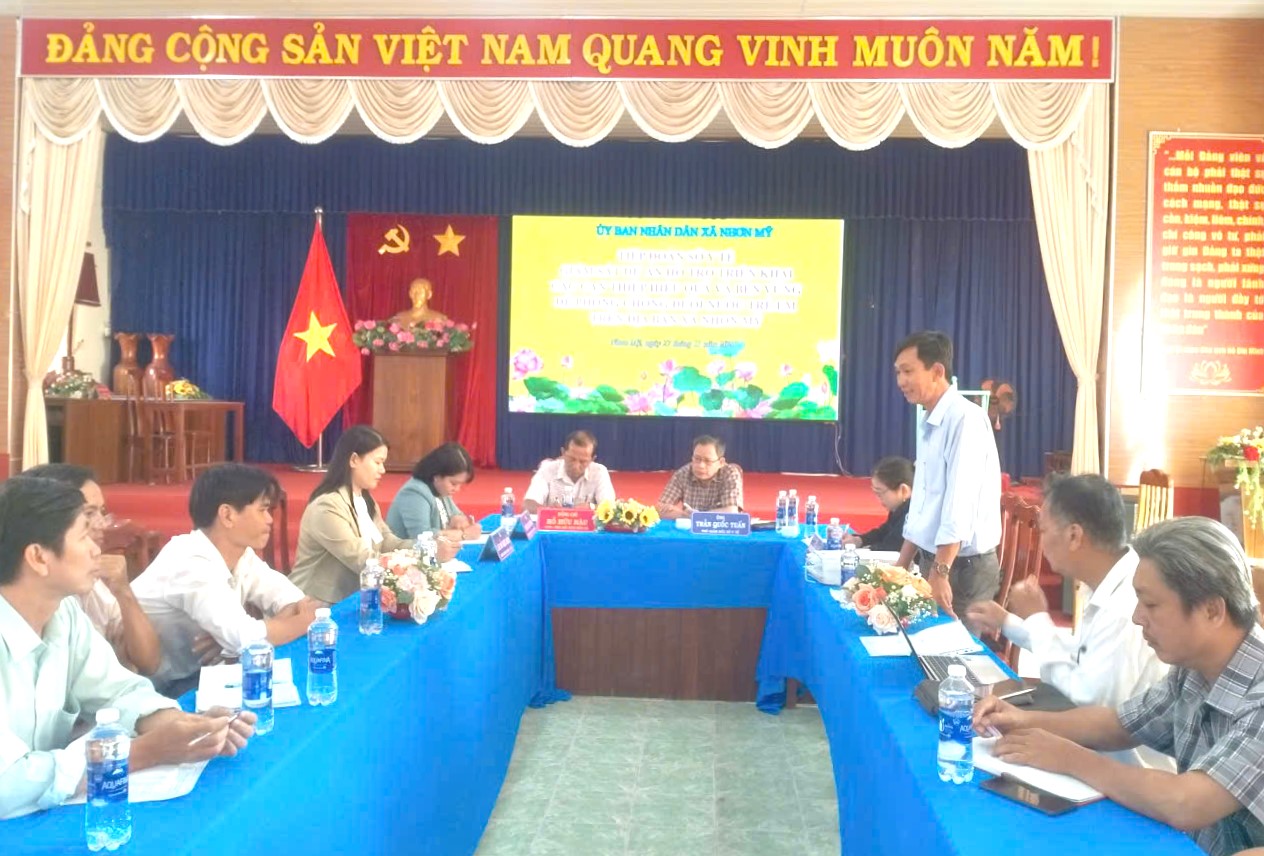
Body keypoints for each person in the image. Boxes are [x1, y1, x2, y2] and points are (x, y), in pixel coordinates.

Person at [974, 517, 1264, 856]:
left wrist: (1071, 758)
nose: (1138, 617)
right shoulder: (1194, 669)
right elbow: (1121, 724)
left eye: (1151, 604)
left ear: (1212, 610)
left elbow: (1185, 802)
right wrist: (1022, 719)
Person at [0, 477, 254, 820]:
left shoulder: (64, 613)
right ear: (38, 557)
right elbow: (8, 782)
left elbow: (118, 691)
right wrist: (142, 752)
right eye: (83, 536)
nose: (96, 550)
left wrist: (183, 726)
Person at [965, 474, 1170, 768]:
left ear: (1074, 536)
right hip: (1093, 759)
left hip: (1118, 771)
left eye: (1043, 530)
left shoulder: (1126, 607)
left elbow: (1087, 706)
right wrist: (1009, 622)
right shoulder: (1112, 580)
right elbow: (1082, 653)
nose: (1041, 541)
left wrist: (1037, 618)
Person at [131, 464, 322, 694]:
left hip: (201, 674)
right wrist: (303, 622)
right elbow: (244, 637)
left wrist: (230, 641)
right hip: (156, 689)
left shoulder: (242, 555)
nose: (270, 519)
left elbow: (294, 601)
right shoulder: (190, 562)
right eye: (262, 510)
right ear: (227, 515)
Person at [892, 331, 1002, 618]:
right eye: (898, 373)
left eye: (908, 371)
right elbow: (924, 501)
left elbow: (959, 502)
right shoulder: (929, 418)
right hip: (938, 561)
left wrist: (941, 572)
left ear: (937, 371)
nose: (900, 381)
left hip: (963, 568)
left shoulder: (965, 418)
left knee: (953, 647)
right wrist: (901, 563)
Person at [23, 463, 161, 676]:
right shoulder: (29, 598)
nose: (102, 524)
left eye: (101, 512)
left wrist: (123, 591)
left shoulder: (92, 581)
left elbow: (149, 663)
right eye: (89, 513)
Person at [290, 426, 454, 604]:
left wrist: (427, 548)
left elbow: (387, 541)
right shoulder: (327, 507)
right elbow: (361, 559)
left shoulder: (365, 500)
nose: (382, 470)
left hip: (356, 594)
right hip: (317, 604)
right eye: (377, 462)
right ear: (354, 460)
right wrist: (417, 560)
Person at [386, 442, 483, 541]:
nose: (457, 489)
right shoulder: (414, 493)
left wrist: (459, 519)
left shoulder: (441, 489)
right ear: (437, 476)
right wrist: (463, 535)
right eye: (453, 483)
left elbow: (457, 515)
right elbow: (421, 536)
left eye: (460, 484)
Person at [523, 430, 616, 513]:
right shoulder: (547, 469)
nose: (576, 466)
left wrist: (591, 507)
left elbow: (610, 507)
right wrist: (550, 511)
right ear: (563, 453)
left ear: (592, 459)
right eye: (571, 459)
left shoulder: (599, 472)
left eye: (583, 461)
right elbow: (528, 504)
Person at [656, 435, 743, 519]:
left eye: (708, 461)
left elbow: (731, 512)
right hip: (690, 527)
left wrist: (697, 516)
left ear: (721, 462)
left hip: (720, 527)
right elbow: (660, 508)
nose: (701, 465)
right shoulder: (683, 474)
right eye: (697, 459)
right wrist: (687, 515)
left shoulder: (729, 473)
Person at [842, 456, 913, 552]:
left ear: (904, 491)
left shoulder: (911, 516)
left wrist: (864, 550)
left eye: (880, 493)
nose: (878, 499)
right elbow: (884, 532)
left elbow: (890, 548)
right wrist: (859, 540)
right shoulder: (899, 509)